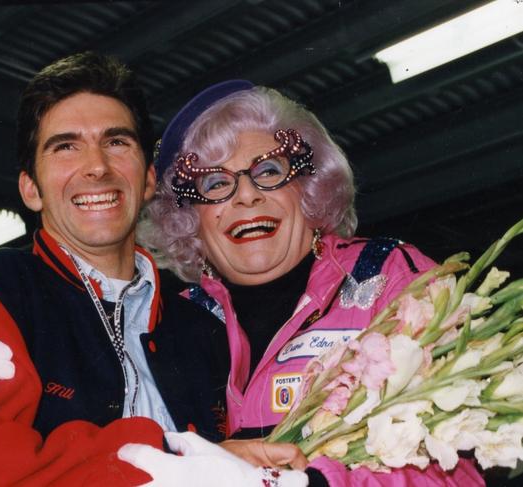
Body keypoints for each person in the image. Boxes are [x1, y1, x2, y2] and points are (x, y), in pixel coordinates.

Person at [0, 53, 308, 487]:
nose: (96, 167)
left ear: (147, 180)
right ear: (30, 189)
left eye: (116, 142)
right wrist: (165, 458)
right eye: (65, 146)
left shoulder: (202, 326)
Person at [120, 80, 486, 486]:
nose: (246, 196)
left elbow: (457, 471)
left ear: (309, 188)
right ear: (191, 219)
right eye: (216, 184)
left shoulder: (390, 277)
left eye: (269, 171)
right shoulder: (169, 322)